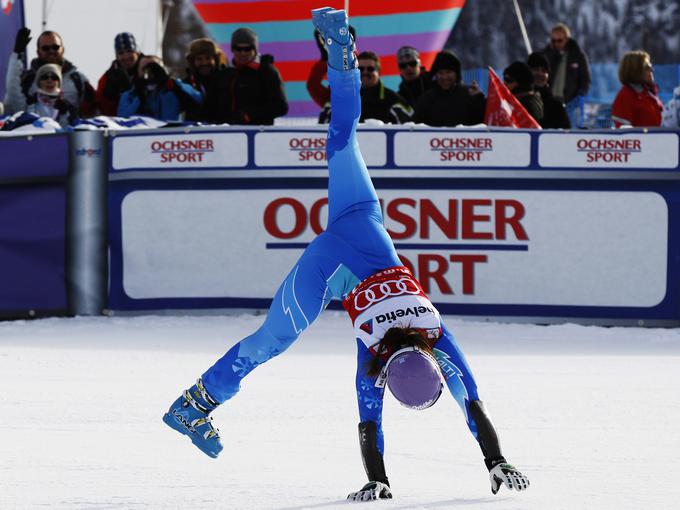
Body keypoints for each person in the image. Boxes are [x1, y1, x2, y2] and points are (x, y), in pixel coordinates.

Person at [163, 7, 530, 502]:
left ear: (427, 359)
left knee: (343, 133)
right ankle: (196, 403)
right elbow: (376, 423)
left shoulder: (435, 336)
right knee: (271, 340)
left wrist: (495, 457)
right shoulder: (376, 357)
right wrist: (382, 478)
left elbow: (470, 402)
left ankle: (341, 51)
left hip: (363, 224)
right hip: (333, 268)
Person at [4, 28, 96, 117]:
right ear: (38, 52)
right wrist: (17, 54)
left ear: (62, 50)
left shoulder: (78, 80)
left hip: (68, 131)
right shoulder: (27, 80)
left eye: (55, 47)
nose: (51, 51)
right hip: (34, 131)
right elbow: (13, 97)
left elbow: (93, 115)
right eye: (45, 48)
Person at [227, 27, 288, 125]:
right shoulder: (227, 72)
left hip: (259, 135)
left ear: (255, 50)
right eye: (238, 49)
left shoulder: (267, 71)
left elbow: (280, 107)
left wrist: (249, 115)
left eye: (247, 49)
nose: (243, 53)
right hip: (226, 134)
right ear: (232, 50)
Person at [117, 55, 202, 121]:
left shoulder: (172, 91)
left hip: (170, 138)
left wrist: (172, 83)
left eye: (154, 68)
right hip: (141, 138)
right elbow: (123, 119)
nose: (149, 72)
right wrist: (139, 96)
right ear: (138, 71)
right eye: (144, 69)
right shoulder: (129, 96)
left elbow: (198, 100)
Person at [413, 50, 485, 127]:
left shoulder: (469, 95)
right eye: (441, 73)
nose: (445, 77)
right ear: (435, 75)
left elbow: (482, 124)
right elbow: (414, 127)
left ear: (456, 74)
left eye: (448, 72)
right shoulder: (426, 99)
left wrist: (478, 100)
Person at [543, 23, 590, 128]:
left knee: (570, 130)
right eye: (553, 41)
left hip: (571, 102)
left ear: (567, 39)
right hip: (550, 102)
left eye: (559, 40)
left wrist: (581, 93)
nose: (556, 44)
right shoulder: (546, 54)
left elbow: (585, 78)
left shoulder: (578, 55)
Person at [5, 62, 77, 127]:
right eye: (45, 77)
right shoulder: (28, 103)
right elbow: (12, 86)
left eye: (54, 78)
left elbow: (68, 134)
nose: (49, 80)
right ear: (39, 82)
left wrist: (64, 114)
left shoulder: (69, 108)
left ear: (59, 83)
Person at [183, 38, 234, 124]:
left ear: (216, 59)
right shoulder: (186, 84)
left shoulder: (227, 79)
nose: (204, 63)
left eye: (208, 58)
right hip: (196, 133)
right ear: (192, 61)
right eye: (199, 59)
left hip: (224, 131)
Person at [306, 25, 357, 109]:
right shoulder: (330, 101)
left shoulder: (361, 61)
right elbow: (313, 85)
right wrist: (326, 58)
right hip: (335, 106)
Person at [611, 51, 664, 128]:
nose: (652, 70)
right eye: (647, 67)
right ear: (635, 70)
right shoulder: (625, 96)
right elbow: (623, 134)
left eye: (651, 66)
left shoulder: (649, 94)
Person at [96, 33, 143, 116]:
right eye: (121, 53)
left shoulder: (150, 69)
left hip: (151, 124)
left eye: (129, 51)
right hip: (121, 126)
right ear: (116, 56)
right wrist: (110, 96)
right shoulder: (107, 79)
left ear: (137, 52)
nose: (126, 56)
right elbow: (102, 112)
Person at [527, 52, 570, 129]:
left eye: (544, 71)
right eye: (536, 69)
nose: (540, 74)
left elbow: (566, 135)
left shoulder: (556, 107)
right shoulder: (519, 101)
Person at [503, 61, 543, 125]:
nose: (504, 83)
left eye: (508, 80)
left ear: (520, 83)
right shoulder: (531, 101)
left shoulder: (527, 106)